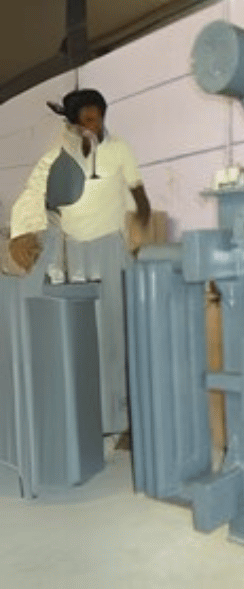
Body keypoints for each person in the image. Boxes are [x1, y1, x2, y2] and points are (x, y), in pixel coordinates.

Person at [7, 88, 151, 434]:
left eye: (98, 118)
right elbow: (32, 195)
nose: (94, 125)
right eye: (87, 120)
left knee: (117, 335)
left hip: (111, 251)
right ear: (72, 123)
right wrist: (22, 234)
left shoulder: (119, 150)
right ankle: (84, 421)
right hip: (73, 255)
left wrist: (141, 231)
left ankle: (120, 419)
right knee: (83, 340)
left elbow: (138, 194)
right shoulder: (56, 158)